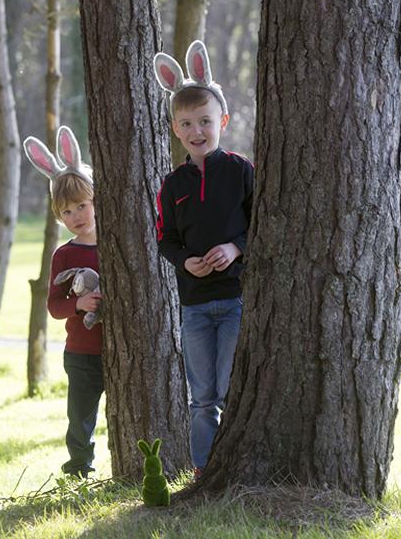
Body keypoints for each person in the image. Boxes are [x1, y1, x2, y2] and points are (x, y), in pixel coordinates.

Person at [153, 40, 254, 480]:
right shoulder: (172, 184)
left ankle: (234, 464)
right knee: (202, 395)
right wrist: (184, 262)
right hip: (194, 304)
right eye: (188, 123)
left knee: (232, 387)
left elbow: (261, 225)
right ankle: (202, 469)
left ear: (223, 122)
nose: (198, 131)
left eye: (206, 122)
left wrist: (236, 248)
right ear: (176, 129)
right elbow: (166, 239)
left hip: (234, 299)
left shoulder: (240, 170)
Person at [23, 127, 104, 478]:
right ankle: (79, 469)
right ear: (59, 217)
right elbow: (54, 306)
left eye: (82, 206)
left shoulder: (115, 243)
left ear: (96, 200)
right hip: (83, 353)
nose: (77, 216)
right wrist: (79, 304)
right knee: (80, 415)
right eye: (68, 211)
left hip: (122, 350)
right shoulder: (64, 254)